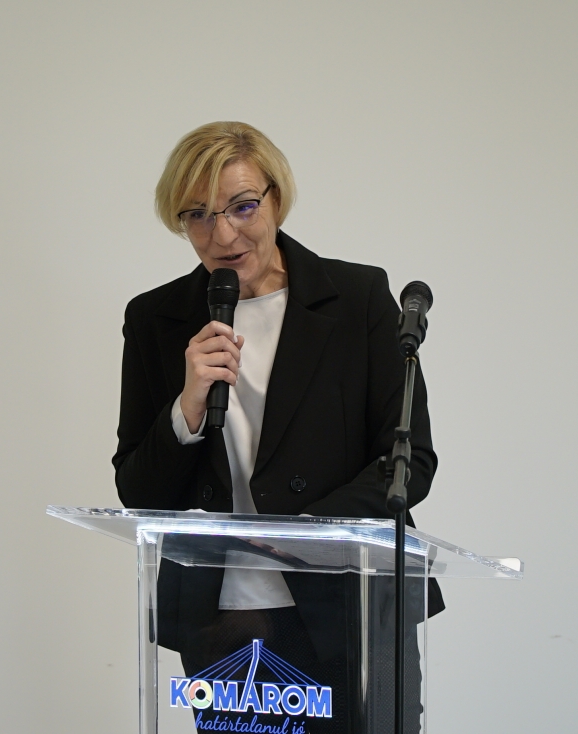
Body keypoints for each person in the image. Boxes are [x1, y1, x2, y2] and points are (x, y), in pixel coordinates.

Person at [113, 121, 441, 733]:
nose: (222, 234)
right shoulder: (157, 319)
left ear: (276, 199)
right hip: (221, 623)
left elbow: (408, 461)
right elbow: (137, 491)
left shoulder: (358, 298)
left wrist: (300, 538)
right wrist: (187, 408)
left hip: (348, 606)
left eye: (242, 206)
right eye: (198, 215)